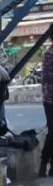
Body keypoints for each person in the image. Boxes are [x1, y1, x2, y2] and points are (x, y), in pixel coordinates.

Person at [41, 44, 53, 177]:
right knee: (52, 131)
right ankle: (43, 162)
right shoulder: (49, 53)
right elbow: (48, 77)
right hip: (50, 99)